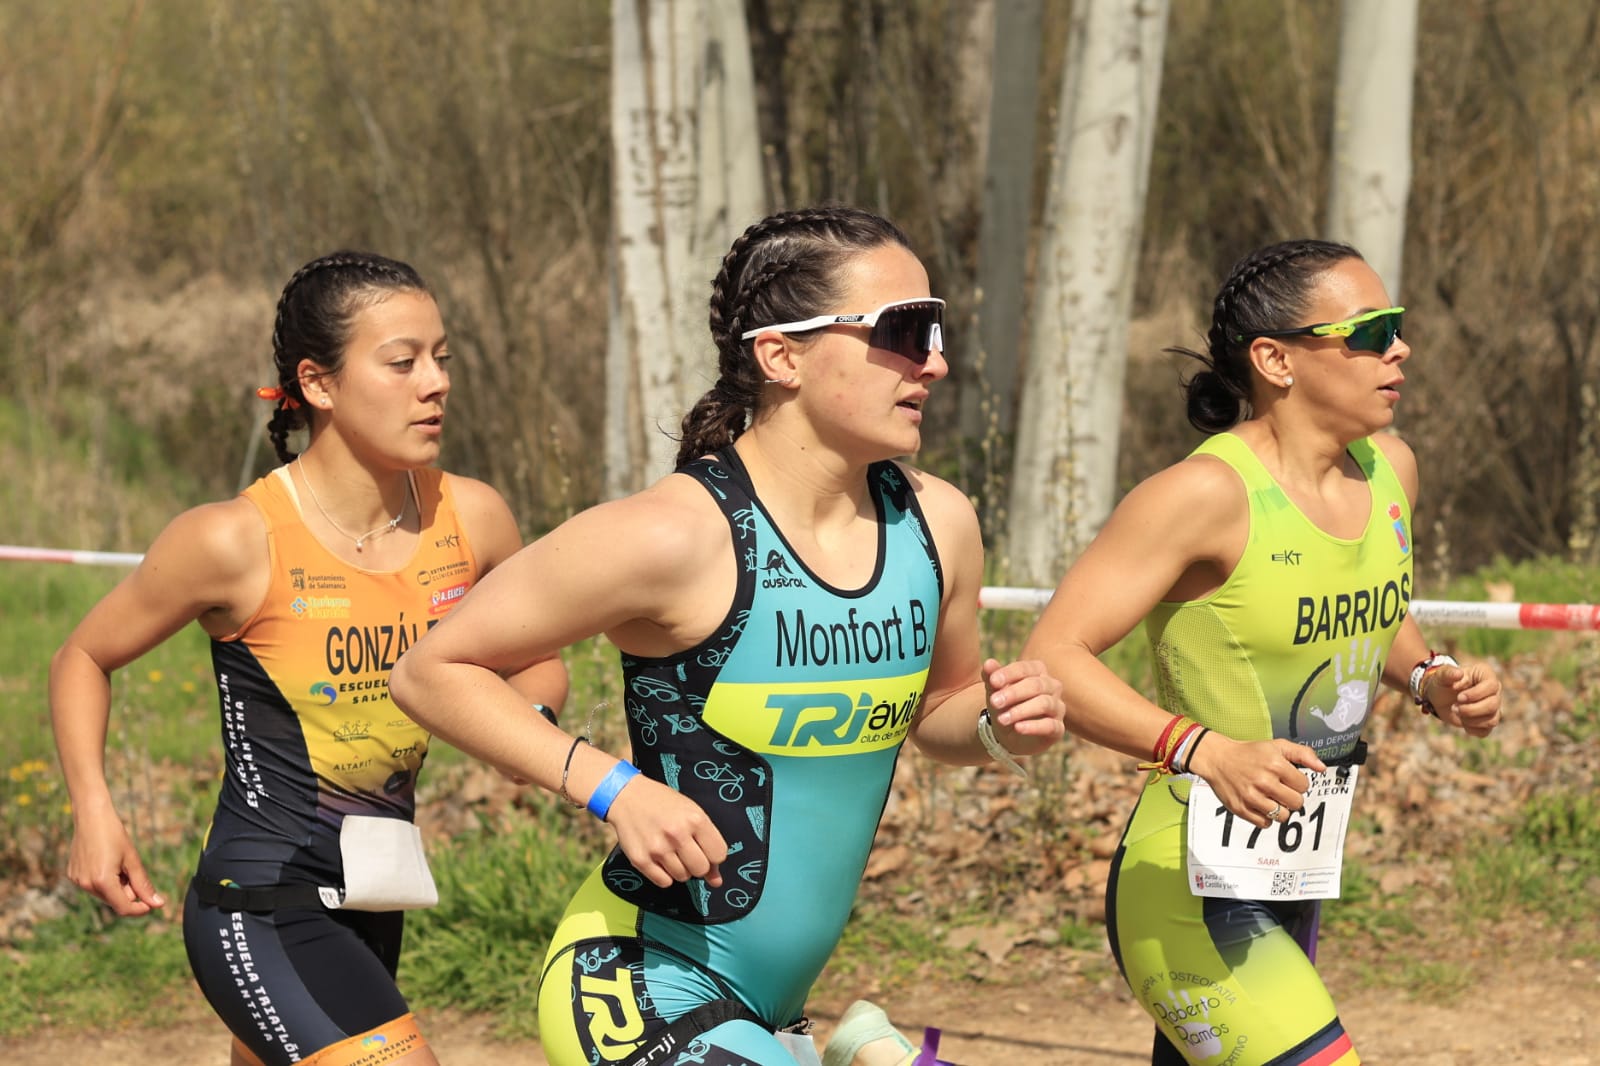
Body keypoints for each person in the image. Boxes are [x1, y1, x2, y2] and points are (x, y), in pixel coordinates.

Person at [388, 204, 1066, 1066]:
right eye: (901, 329)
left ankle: (854, 1049)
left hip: (771, 1009)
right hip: (638, 974)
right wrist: (614, 789)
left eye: (934, 327)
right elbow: (431, 670)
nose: (935, 360)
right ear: (781, 355)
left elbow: (939, 709)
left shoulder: (940, 523)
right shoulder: (675, 534)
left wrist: (995, 725)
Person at [49, 251, 569, 1066]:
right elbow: (82, 655)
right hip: (259, 902)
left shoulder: (472, 518)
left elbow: (535, 659)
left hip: (374, 896)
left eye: (442, 359)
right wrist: (94, 811)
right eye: (401, 362)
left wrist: (528, 726)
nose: (434, 383)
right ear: (318, 384)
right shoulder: (230, 539)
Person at [1022, 238, 1503, 1066]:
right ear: (1276, 359)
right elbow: (1053, 654)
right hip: (1186, 889)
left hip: (1292, 876)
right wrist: (1201, 748)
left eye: (1398, 326)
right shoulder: (1202, 496)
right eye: (1368, 330)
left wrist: (1431, 678)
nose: (1400, 347)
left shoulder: (1391, 471)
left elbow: (1370, 612)